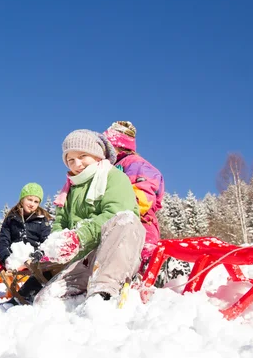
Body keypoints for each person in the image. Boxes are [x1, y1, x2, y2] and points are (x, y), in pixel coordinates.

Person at [33, 129, 146, 305]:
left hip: (114, 251)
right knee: (44, 301)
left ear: (97, 155)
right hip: (84, 259)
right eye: (70, 160)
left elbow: (114, 213)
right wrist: (58, 243)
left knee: (125, 220)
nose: (77, 164)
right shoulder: (69, 189)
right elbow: (60, 222)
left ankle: (104, 294)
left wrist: (79, 236)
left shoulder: (114, 177)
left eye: (83, 156)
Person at [103, 121, 165, 265]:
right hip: (116, 221)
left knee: (141, 253)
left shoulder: (135, 163)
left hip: (141, 221)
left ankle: (149, 273)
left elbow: (145, 193)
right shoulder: (110, 167)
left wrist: (127, 208)